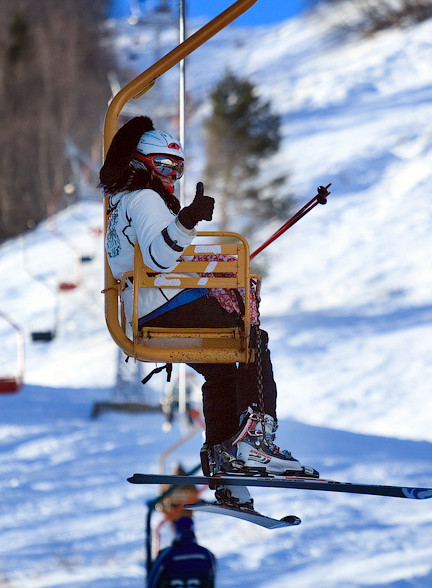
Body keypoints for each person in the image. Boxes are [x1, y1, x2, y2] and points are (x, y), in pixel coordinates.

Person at [101, 116, 318, 510]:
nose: (171, 177)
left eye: (178, 169)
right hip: (167, 306)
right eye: (164, 166)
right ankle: (255, 441)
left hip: (148, 310)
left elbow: (151, 257)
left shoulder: (121, 205)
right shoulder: (145, 199)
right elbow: (160, 257)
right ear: (141, 163)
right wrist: (188, 219)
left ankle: (226, 465)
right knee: (251, 341)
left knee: (221, 371)